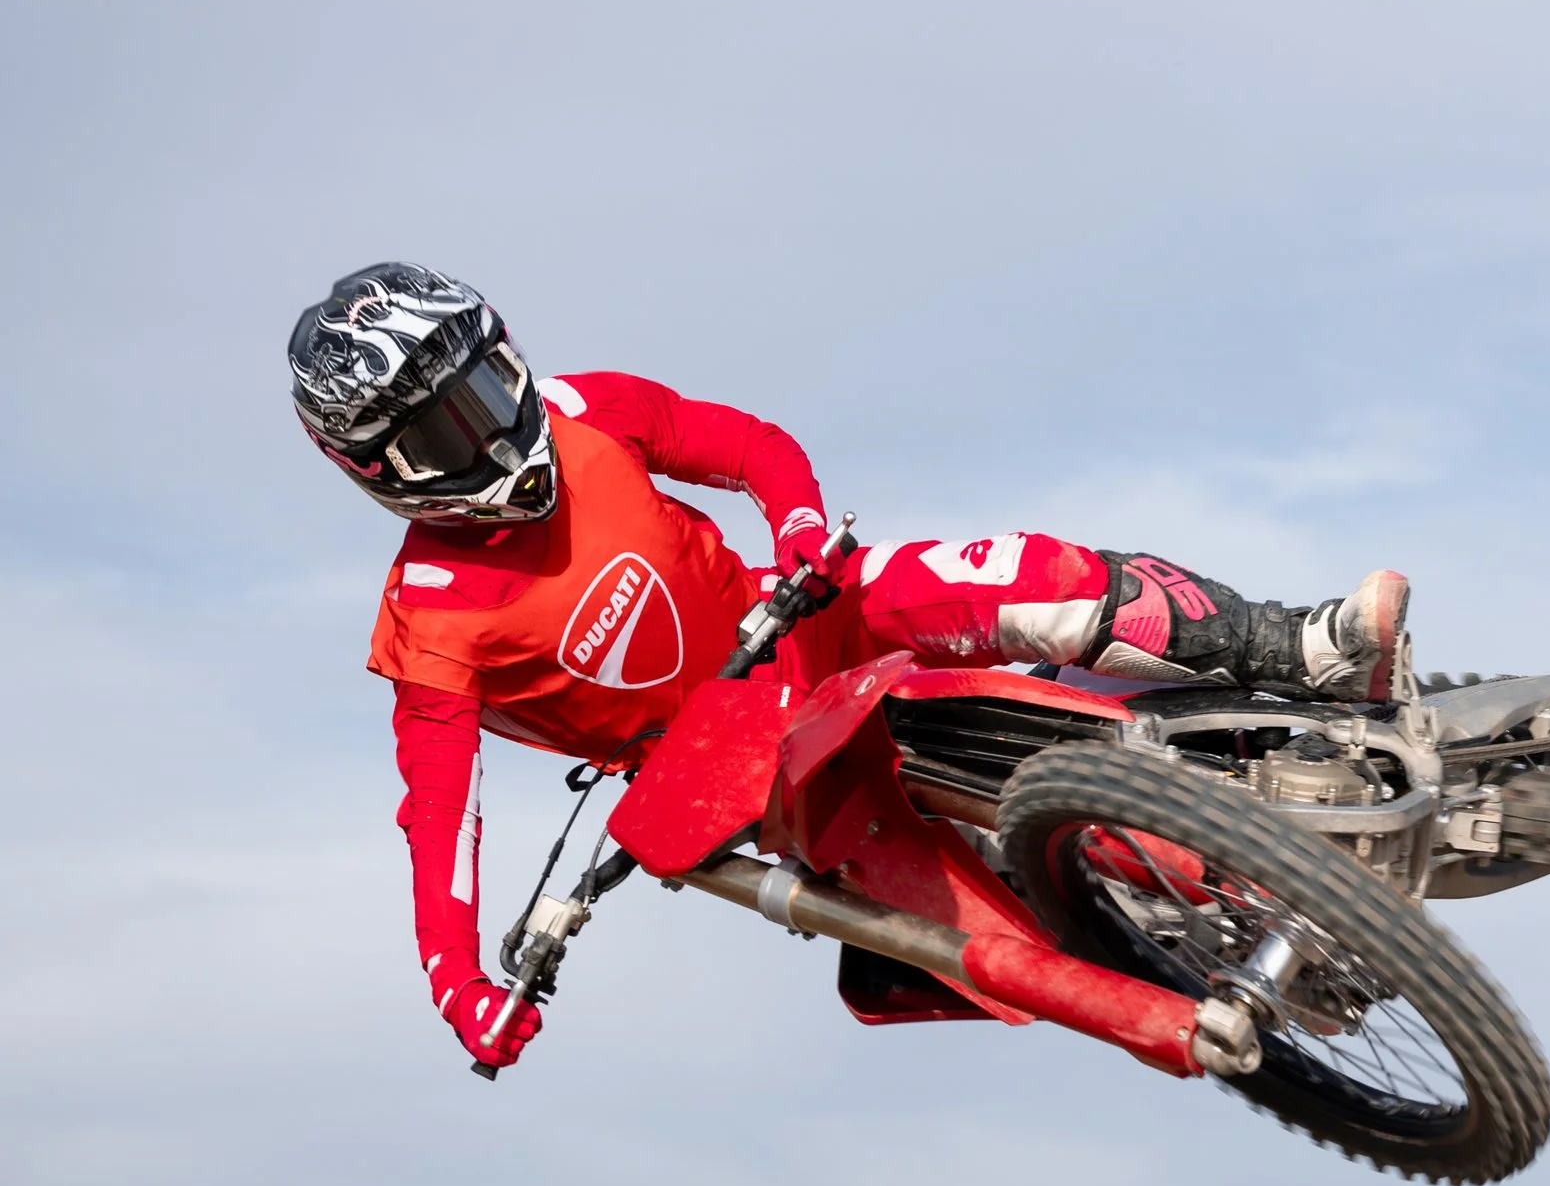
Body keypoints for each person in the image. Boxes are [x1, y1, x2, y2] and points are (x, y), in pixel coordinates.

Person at [288, 263, 1410, 1071]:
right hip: (739, 767)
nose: (494, 438)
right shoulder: (429, 622)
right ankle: (1214, 987)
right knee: (988, 936)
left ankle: (1304, 646)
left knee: (1021, 573)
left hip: (804, 617)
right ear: (380, 468)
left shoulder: (586, 409)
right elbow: (441, 822)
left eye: (488, 391)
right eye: (446, 432)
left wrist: (799, 531)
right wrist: (459, 983)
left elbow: (747, 447)